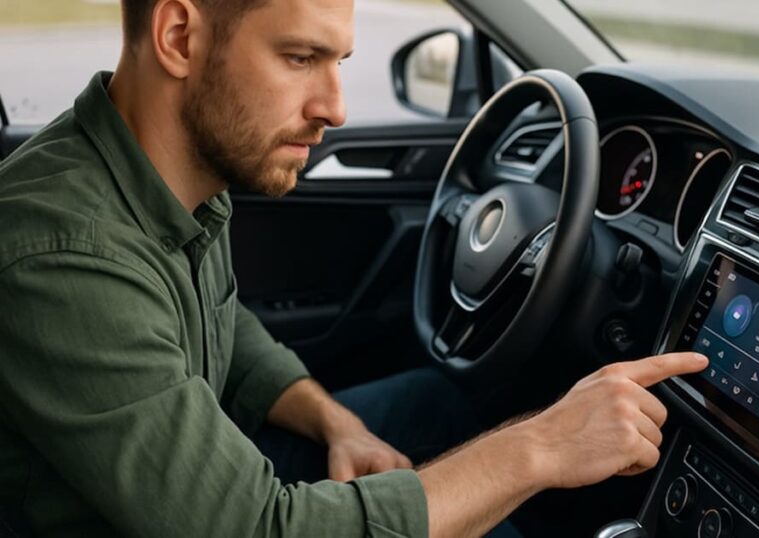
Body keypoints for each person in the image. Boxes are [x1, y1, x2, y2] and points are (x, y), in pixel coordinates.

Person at [0, 0, 709, 536]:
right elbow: (258, 529)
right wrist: (543, 447)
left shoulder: (172, 176)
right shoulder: (64, 255)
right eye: (300, 58)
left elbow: (225, 327)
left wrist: (335, 422)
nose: (334, 107)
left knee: (434, 406)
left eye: (338, 62)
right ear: (180, 36)